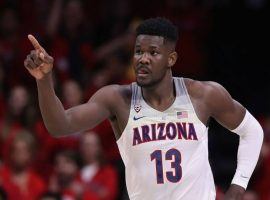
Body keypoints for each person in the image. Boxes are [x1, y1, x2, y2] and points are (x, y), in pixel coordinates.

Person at [24, 17, 263, 200]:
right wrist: (44, 80)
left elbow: (252, 131)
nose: (143, 58)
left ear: (171, 59)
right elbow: (60, 125)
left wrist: (238, 186)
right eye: (138, 51)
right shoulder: (117, 98)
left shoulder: (202, 95)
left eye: (153, 52)